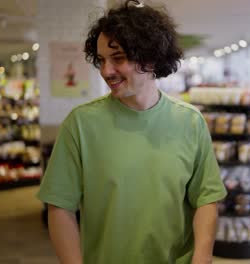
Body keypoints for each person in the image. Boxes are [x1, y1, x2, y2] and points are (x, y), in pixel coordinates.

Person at [37, 0, 227, 263]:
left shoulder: (190, 122)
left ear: (151, 58)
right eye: (101, 60)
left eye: (118, 58)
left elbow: (206, 200)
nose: (106, 71)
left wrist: (202, 258)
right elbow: (60, 207)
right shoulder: (80, 124)